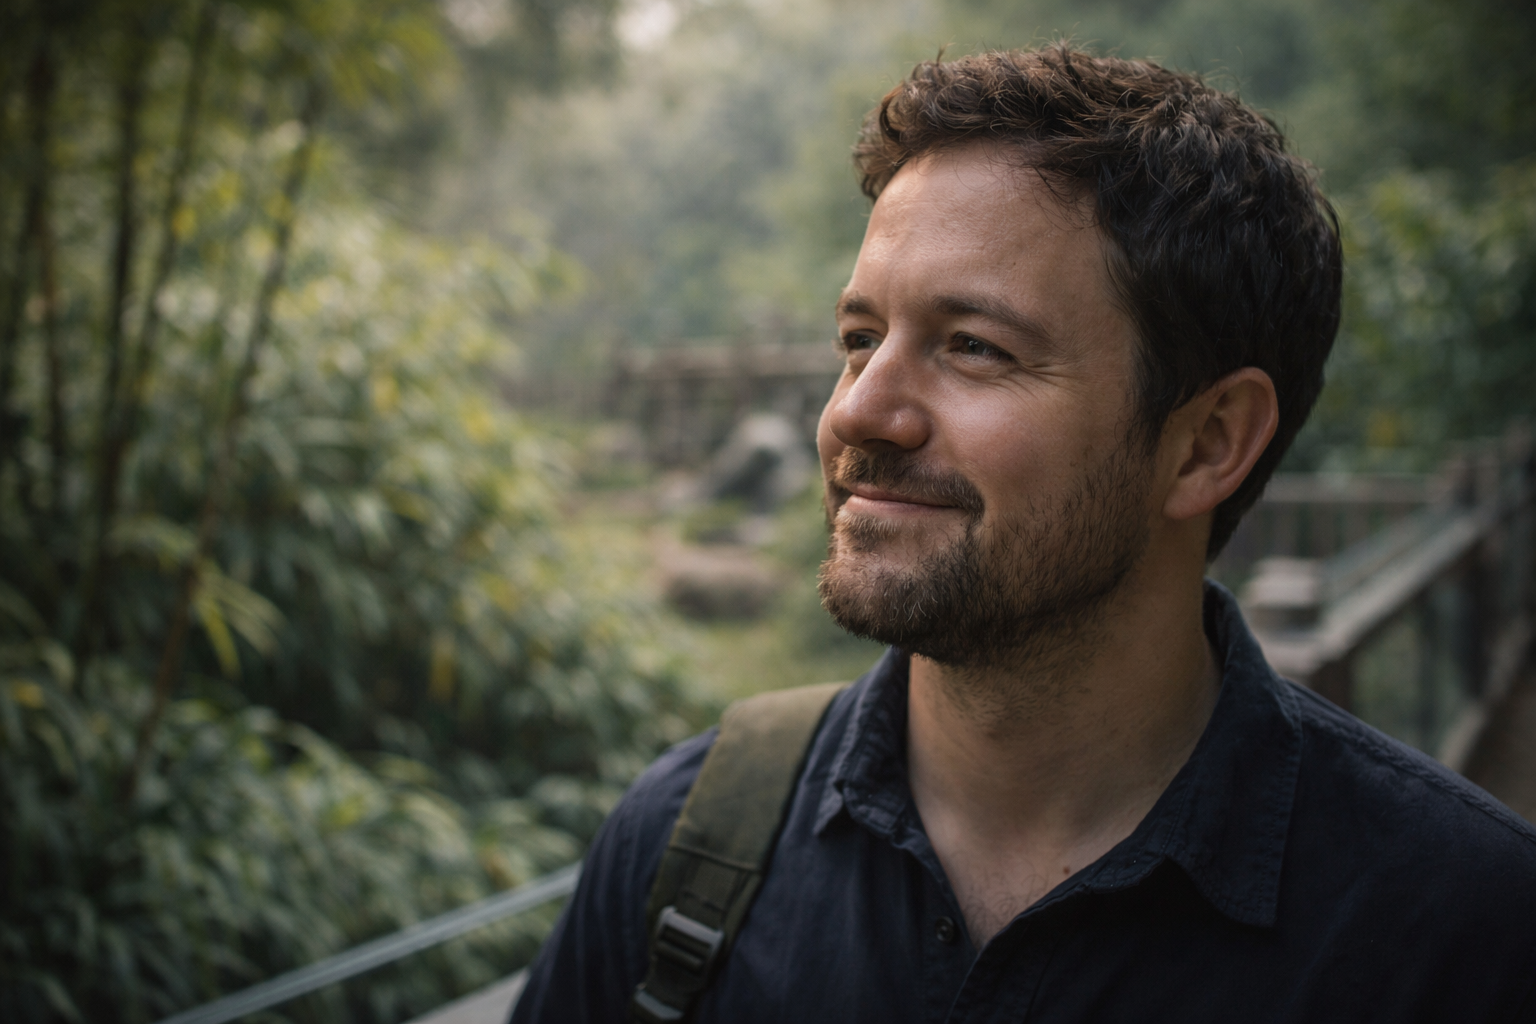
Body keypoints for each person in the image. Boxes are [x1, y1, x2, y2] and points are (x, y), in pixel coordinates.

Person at [512, 46, 1536, 1023]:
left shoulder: (1462, 936)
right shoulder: (685, 844)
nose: (860, 412)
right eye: (859, 340)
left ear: (1205, 444)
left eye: (974, 347)